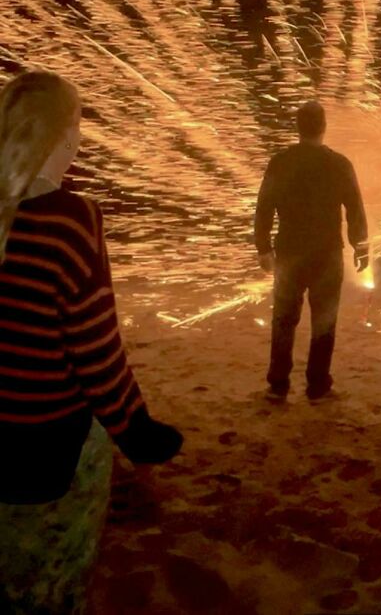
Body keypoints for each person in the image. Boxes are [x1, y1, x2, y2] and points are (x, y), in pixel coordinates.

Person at [0, 70, 183, 615]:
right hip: (41, 443)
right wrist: (138, 431)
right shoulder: (72, 220)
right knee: (52, 577)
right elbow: (95, 351)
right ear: (64, 138)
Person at [254, 100, 369, 401]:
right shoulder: (339, 163)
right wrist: (361, 246)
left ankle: (278, 385)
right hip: (327, 254)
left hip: (289, 251)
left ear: (297, 127)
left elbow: (264, 207)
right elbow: (355, 208)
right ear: (323, 127)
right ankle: (317, 386)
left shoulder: (280, 162)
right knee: (324, 321)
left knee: (283, 320)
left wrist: (263, 248)